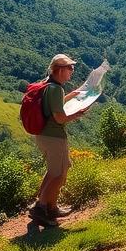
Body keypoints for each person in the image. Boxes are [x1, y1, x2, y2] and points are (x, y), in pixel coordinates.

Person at [28, 53, 83, 227]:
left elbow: (54, 105)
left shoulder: (48, 85)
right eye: (70, 68)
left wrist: (72, 95)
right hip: (54, 137)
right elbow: (59, 118)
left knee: (58, 169)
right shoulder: (55, 89)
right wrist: (77, 114)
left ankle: (50, 206)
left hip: (44, 135)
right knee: (58, 175)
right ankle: (41, 208)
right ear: (59, 70)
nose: (72, 71)